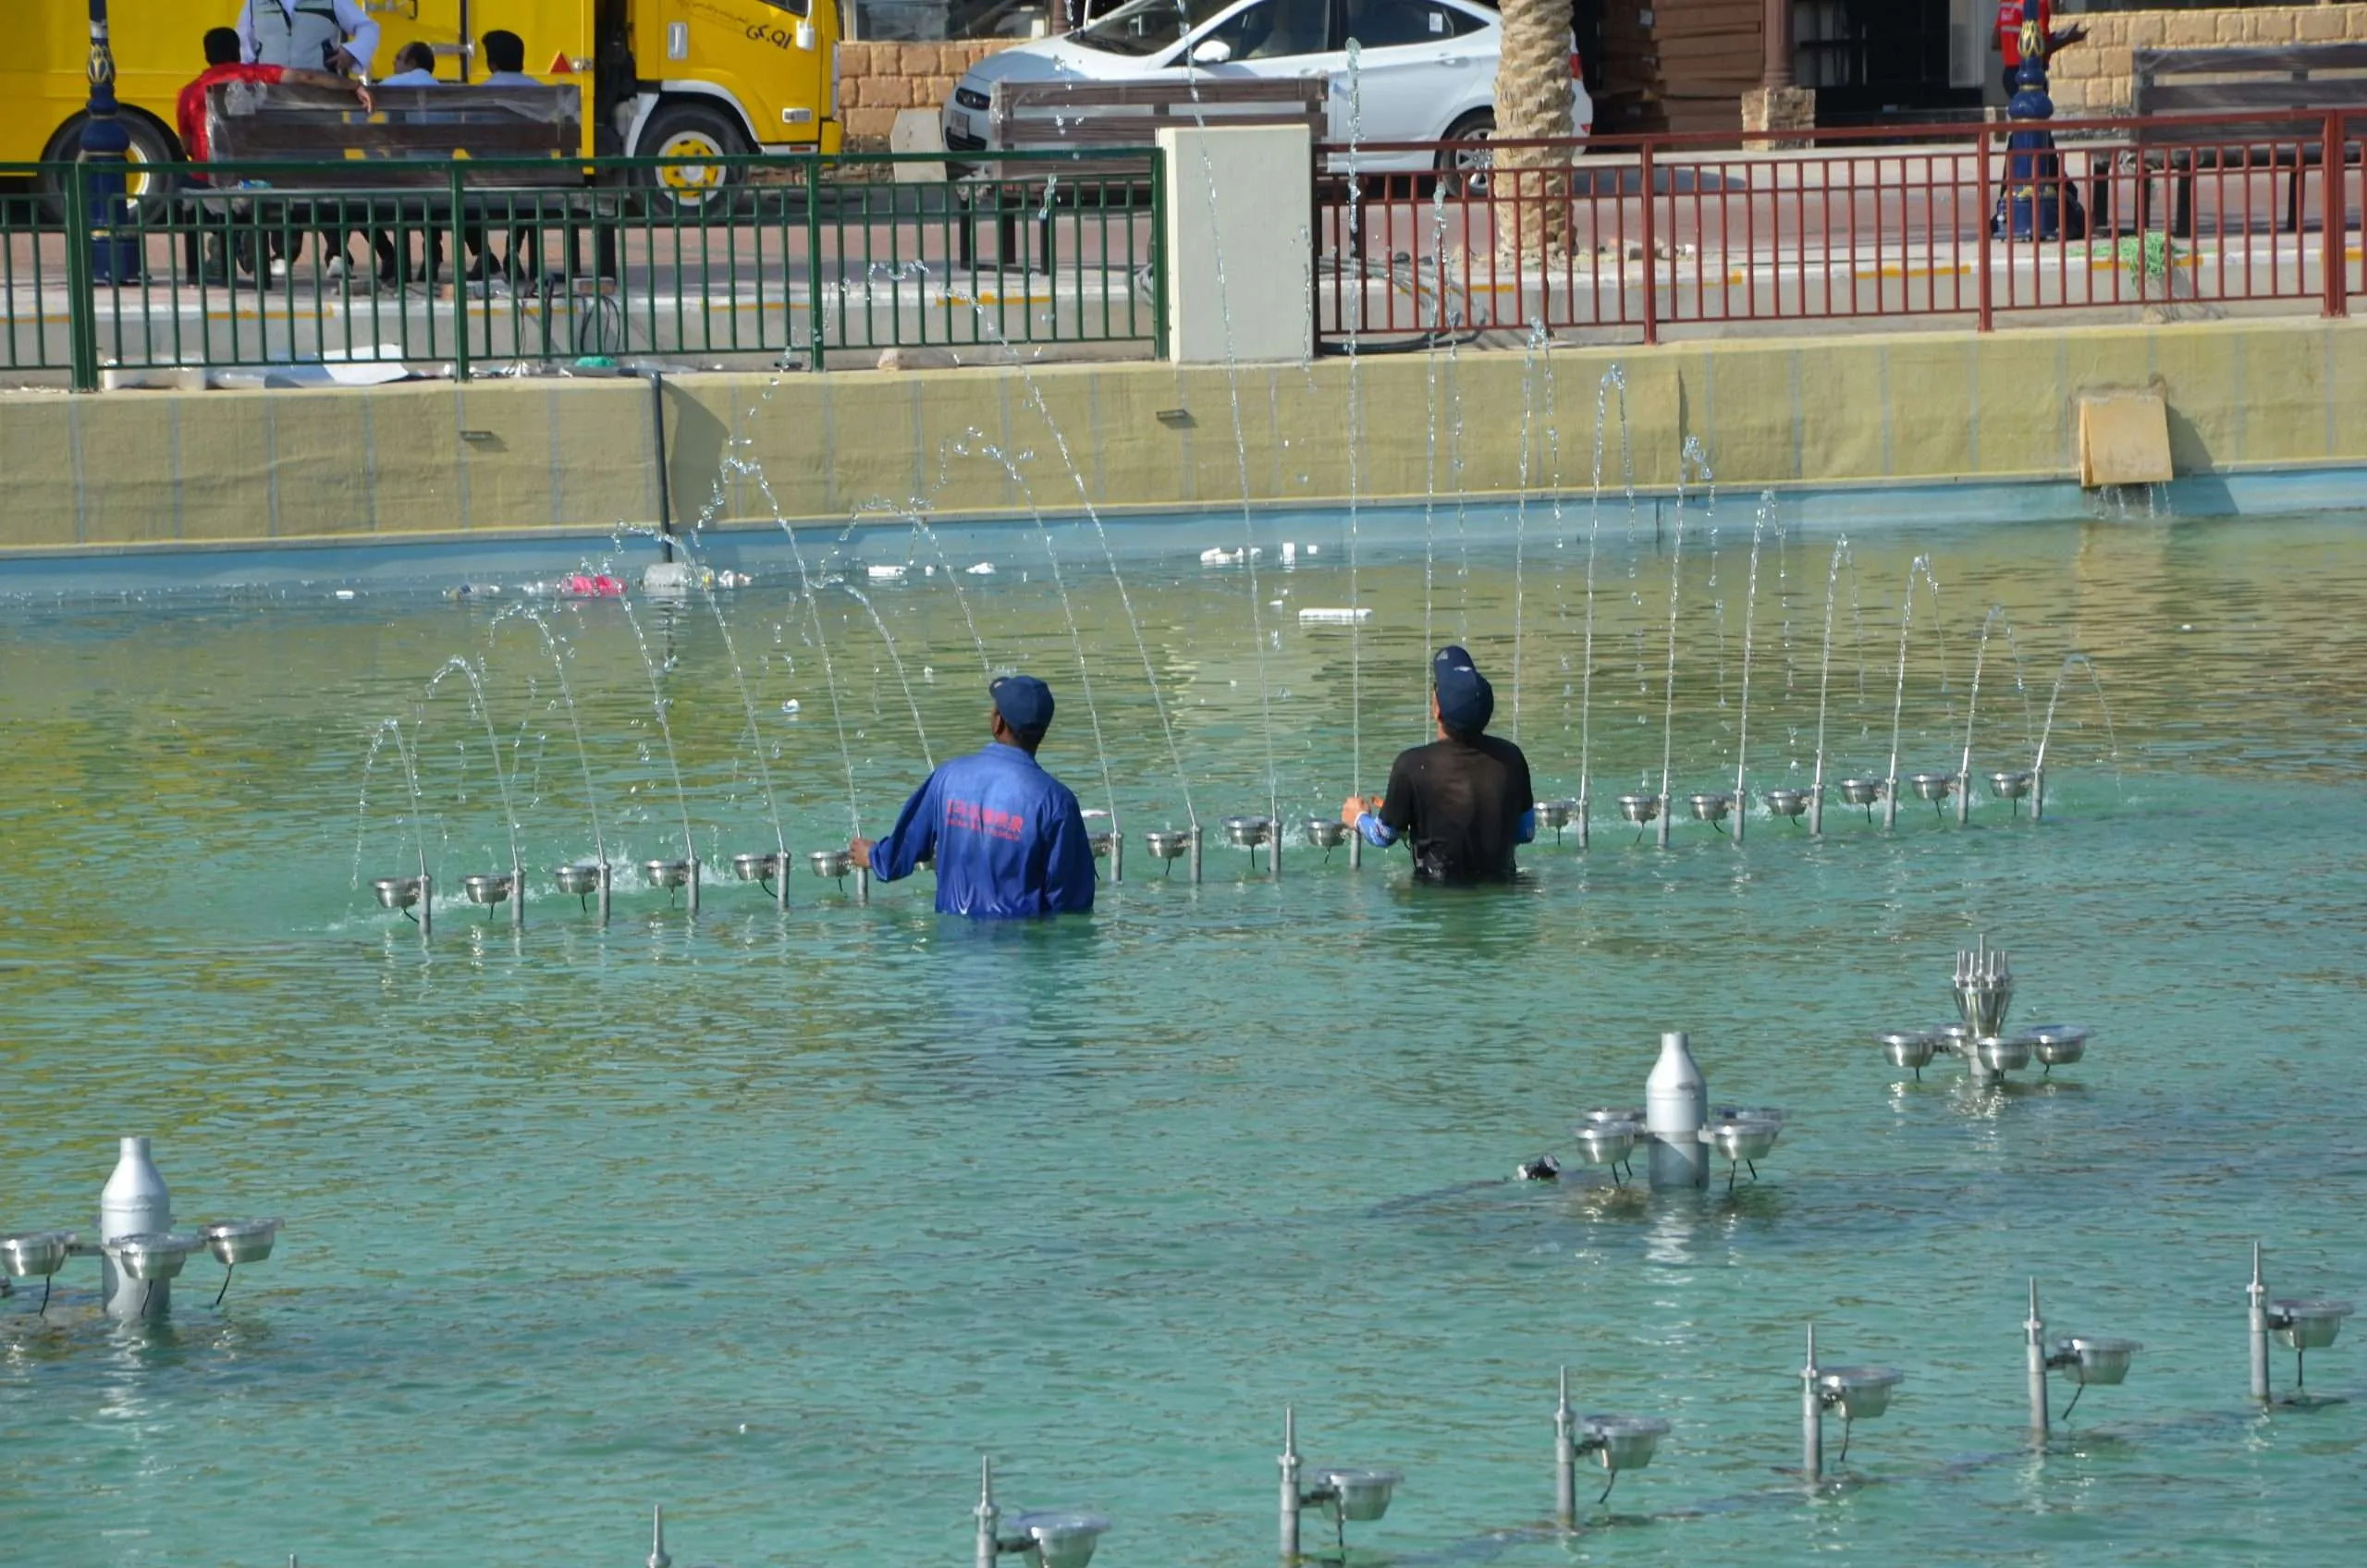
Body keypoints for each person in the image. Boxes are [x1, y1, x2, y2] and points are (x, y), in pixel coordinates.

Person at [852, 675, 1097, 918]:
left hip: (952, 948)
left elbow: (904, 850)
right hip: (1020, 950)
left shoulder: (947, 778)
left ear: (997, 723)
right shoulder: (1057, 802)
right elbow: (1071, 903)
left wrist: (873, 856)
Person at [175, 26, 371, 283]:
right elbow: (306, 79)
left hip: (212, 182)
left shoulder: (190, 92)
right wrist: (352, 85)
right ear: (237, 51)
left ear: (206, 55)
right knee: (246, 184)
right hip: (259, 179)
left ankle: (223, 242)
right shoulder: (256, 75)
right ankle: (237, 235)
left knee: (189, 182)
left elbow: (187, 147)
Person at [1341, 644, 1536, 883]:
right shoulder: (1511, 758)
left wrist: (1358, 818)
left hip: (1435, 895)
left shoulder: (1411, 765)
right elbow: (1525, 833)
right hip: (1503, 887)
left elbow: (1383, 836)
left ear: (1437, 709)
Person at [237, 0, 378, 78]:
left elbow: (368, 27)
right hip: (269, 99)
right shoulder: (254, 3)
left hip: (321, 98)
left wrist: (352, 53)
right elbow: (244, 49)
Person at [1994, 2, 2087, 100]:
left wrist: (2014, 45)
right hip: (2030, 75)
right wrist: (2067, 38)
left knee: (2021, 113)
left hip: (2009, 74)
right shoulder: (2038, 4)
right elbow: (2038, 48)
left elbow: (1995, 42)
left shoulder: (2006, 4)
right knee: (2036, 112)